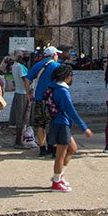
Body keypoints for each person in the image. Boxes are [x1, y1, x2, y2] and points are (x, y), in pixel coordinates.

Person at [45, 64, 92, 192]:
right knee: (61, 154)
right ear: (67, 77)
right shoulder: (63, 91)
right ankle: (56, 182)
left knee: (72, 149)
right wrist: (84, 127)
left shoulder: (53, 86)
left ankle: (59, 176)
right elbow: (71, 111)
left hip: (59, 123)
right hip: (62, 124)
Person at [27, 46, 62, 157]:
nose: (57, 56)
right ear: (53, 55)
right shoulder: (57, 66)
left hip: (39, 99)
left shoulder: (38, 65)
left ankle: (42, 148)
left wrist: (28, 93)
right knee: (53, 123)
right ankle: (53, 148)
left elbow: (28, 80)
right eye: (57, 54)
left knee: (40, 124)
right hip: (53, 100)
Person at [8, 51, 29, 148]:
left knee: (20, 117)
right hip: (23, 93)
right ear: (20, 57)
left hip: (19, 92)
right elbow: (25, 81)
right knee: (21, 118)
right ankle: (18, 141)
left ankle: (19, 139)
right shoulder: (20, 67)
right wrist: (29, 93)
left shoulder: (15, 66)